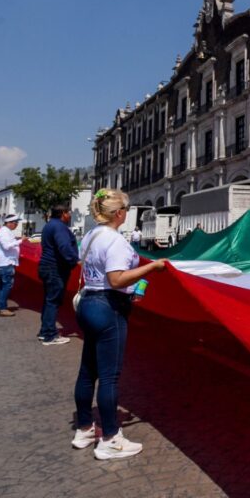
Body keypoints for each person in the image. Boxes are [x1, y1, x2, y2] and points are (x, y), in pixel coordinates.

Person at [72, 188, 166, 459]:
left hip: (89, 302)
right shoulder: (114, 241)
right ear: (120, 213)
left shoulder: (91, 235)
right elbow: (116, 279)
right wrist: (151, 268)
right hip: (108, 306)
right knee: (110, 376)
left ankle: (84, 428)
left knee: (88, 371)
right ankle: (111, 438)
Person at [37, 203, 79, 346]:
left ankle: (45, 331)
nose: (70, 215)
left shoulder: (49, 225)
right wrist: (74, 260)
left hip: (47, 266)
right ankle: (50, 335)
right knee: (53, 301)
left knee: (49, 300)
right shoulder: (60, 227)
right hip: (55, 268)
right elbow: (64, 247)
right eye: (69, 213)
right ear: (63, 213)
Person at [0, 214, 25, 317]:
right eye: (15, 223)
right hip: (6, 263)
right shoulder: (3, 232)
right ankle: (2, 308)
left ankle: (1, 306)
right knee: (6, 285)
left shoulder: (6, 232)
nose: (16, 225)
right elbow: (7, 246)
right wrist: (21, 241)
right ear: (9, 223)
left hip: (6, 262)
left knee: (2, 286)